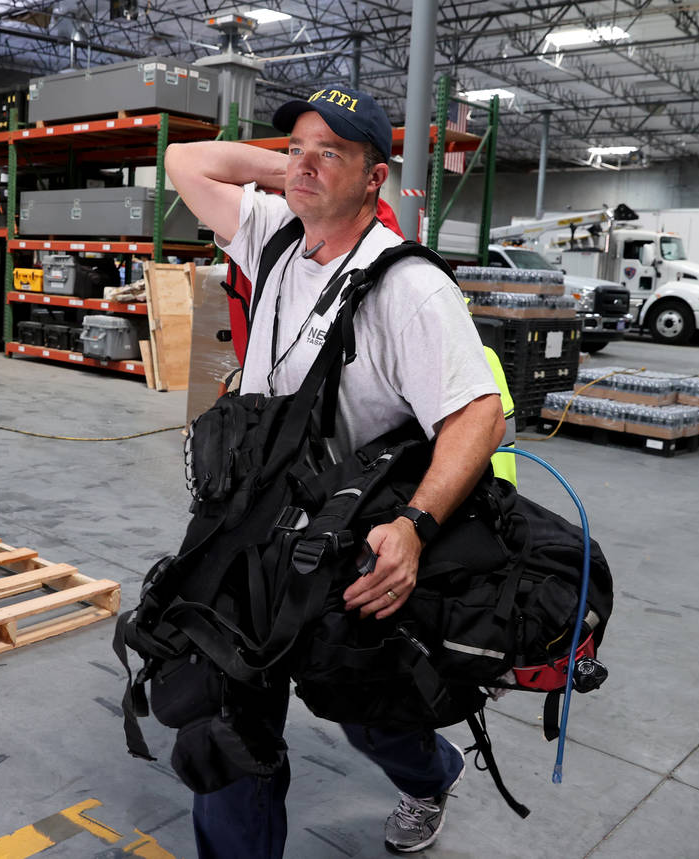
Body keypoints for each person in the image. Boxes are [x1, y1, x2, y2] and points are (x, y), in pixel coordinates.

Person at [165, 86, 505, 856]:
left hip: (339, 538)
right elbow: (185, 160)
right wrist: (296, 172)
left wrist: (414, 528)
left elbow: (479, 415)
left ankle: (429, 774)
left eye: (333, 153)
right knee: (226, 721)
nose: (305, 165)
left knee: (366, 708)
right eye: (296, 148)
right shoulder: (275, 234)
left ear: (376, 178)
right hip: (247, 529)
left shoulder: (408, 287)